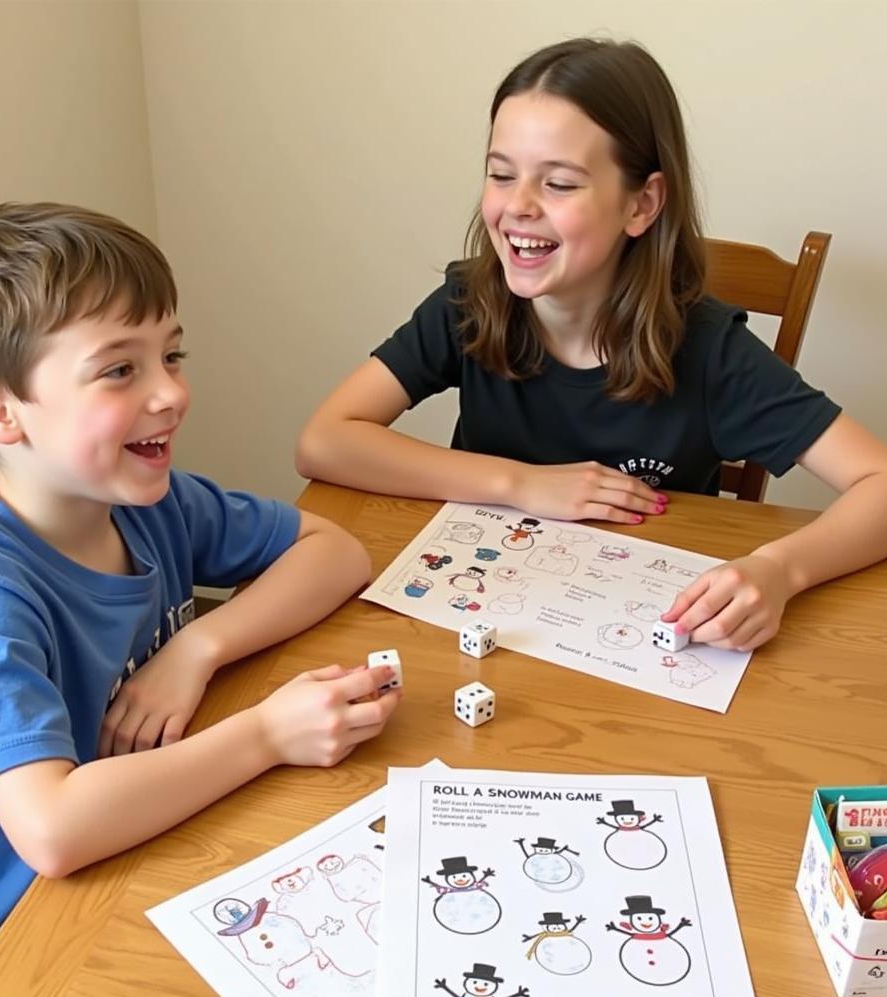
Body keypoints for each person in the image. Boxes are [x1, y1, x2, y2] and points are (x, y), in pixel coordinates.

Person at [0, 202, 400, 997]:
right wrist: (268, 732)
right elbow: (54, 831)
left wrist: (196, 647)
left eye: (172, 354)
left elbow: (337, 552)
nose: (171, 393)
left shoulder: (143, 501)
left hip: (153, 856)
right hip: (6, 964)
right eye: (120, 370)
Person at [296, 38, 887, 654]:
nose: (518, 207)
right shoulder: (468, 303)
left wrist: (779, 569)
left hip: (634, 633)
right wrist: (518, 483)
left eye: (558, 184)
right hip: (484, 607)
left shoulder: (710, 351)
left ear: (641, 203)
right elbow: (324, 440)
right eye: (501, 175)